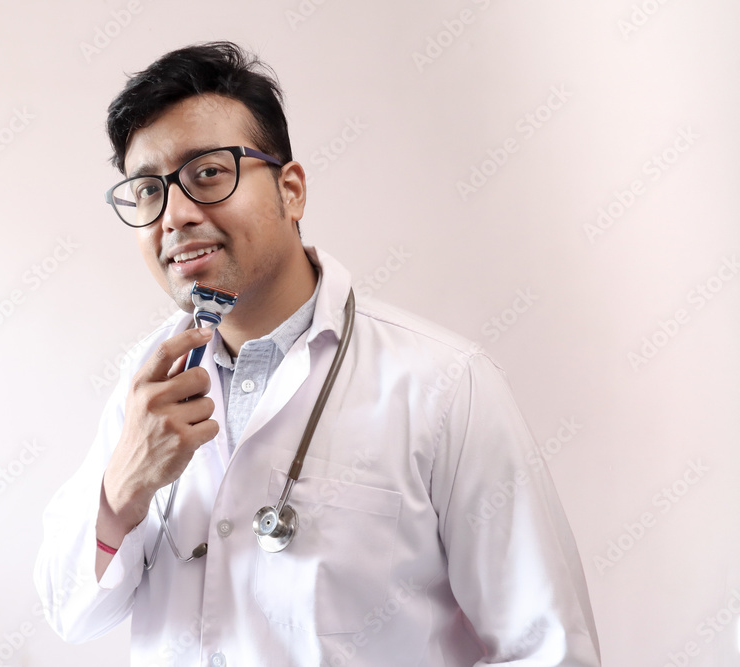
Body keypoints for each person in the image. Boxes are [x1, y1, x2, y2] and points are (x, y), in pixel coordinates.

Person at [34, 41, 602, 666]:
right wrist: (123, 488)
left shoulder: (444, 385)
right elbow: (71, 612)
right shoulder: (146, 386)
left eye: (208, 173)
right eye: (148, 190)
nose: (174, 215)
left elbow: (549, 649)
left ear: (292, 190)